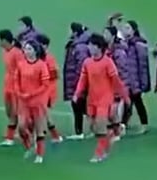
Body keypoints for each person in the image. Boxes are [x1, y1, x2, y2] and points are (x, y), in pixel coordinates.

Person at [73, 34, 129, 162]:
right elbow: (83, 80)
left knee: (100, 128)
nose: (89, 47)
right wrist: (77, 94)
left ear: (98, 47)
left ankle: (98, 154)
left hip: (105, 99)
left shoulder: (107, 62)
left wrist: (124, 96)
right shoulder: (87, 62)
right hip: (92, 99)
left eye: (91, 45)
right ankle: (114, 132)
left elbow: (116, 81)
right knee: (93, 127)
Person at [14, 41, 52, 163]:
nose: (26, 51)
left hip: (37, 101)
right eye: (25, 49)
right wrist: (19, 93)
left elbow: (45, 84)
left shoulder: (41, 65)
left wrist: (31, 94)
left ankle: (39, 155)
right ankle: (29, 145)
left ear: (35, 51)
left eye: (29, 49)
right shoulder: (20, 65)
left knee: (39, 128)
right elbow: (16, 81)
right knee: (21, 126)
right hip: (23, 101)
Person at [63, 23, 91, 140]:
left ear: (74, 32)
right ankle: (91, 129)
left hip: (77, 83)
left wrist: (80, 84)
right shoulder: (75, 45)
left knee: (79, 107)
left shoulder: (79, 47)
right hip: (74, 82)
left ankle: (80, 132)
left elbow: (81, 67)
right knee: (81, 107)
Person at [34, 34, 64, 142]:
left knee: (45, 113)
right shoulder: (38, 58)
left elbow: (55, 74)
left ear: (44, 46)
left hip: (48, 90)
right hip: (40, 90)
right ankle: (45, 133)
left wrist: (42, 77)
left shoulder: (49, 58)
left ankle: (54, 135)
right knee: (42, 113)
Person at [0, 29, 23, 146]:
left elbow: (22, 70)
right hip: (7, 85)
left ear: (5, 40)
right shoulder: (5, 52)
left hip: (15, 86)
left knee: (14, 112)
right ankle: (16, 132)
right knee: (9, 112)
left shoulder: (17, 53)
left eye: (0, 39)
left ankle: (10, 138)